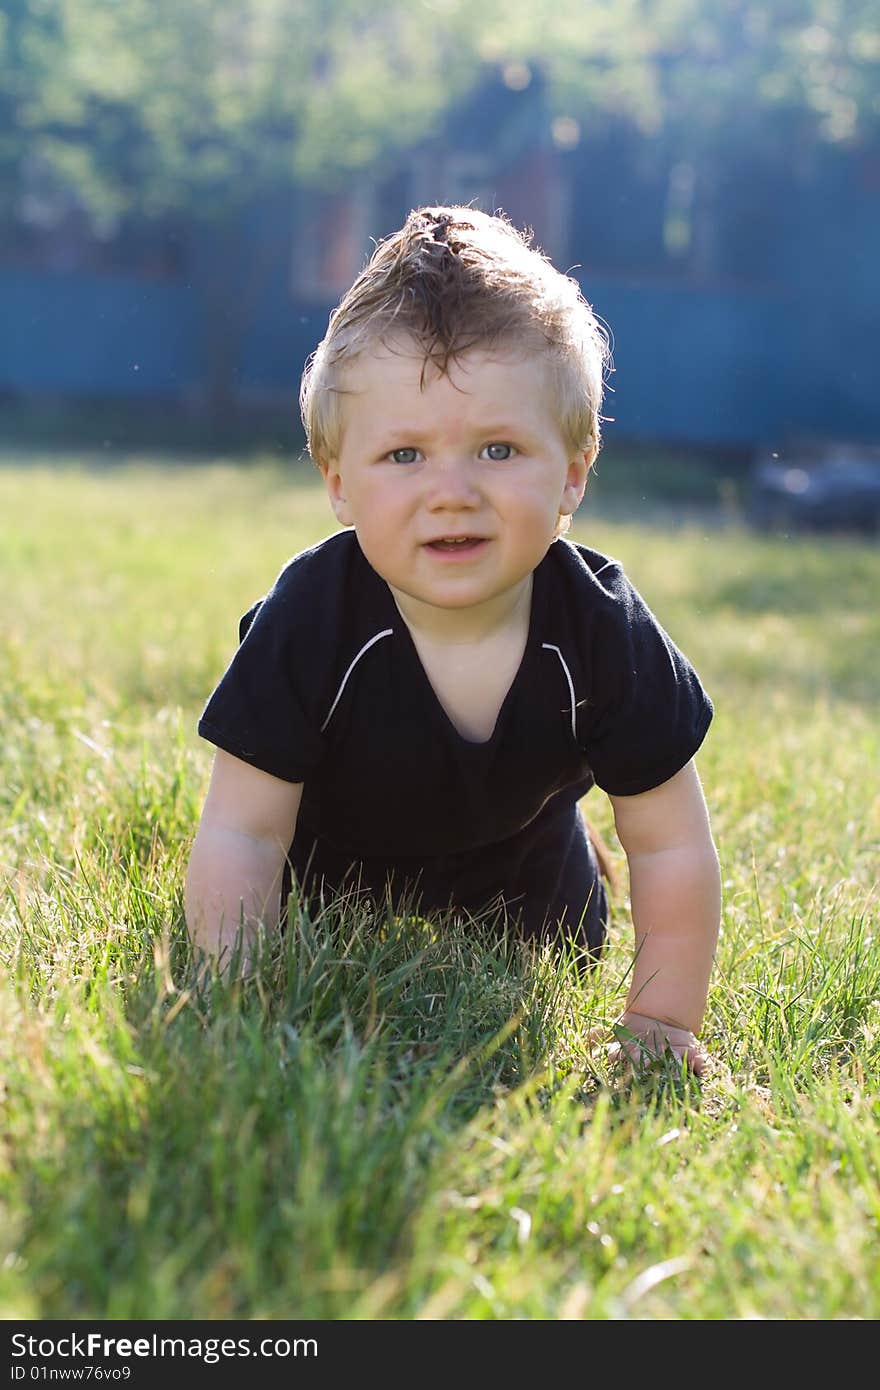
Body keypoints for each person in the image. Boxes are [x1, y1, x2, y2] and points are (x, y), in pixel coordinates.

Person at [185, 206, 721, 1072]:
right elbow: (243, 834)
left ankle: (561, 837)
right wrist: (234, 1002)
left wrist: (662, 1020)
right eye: (404, 456)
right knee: (292, 898)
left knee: (556, 926)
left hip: (522, 873)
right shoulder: (312, 618)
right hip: (329, 869)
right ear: (339, 484)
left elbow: (669, 842)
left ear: (572, 473)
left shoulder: (600, 630)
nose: (452, 492)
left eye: (499, 450)